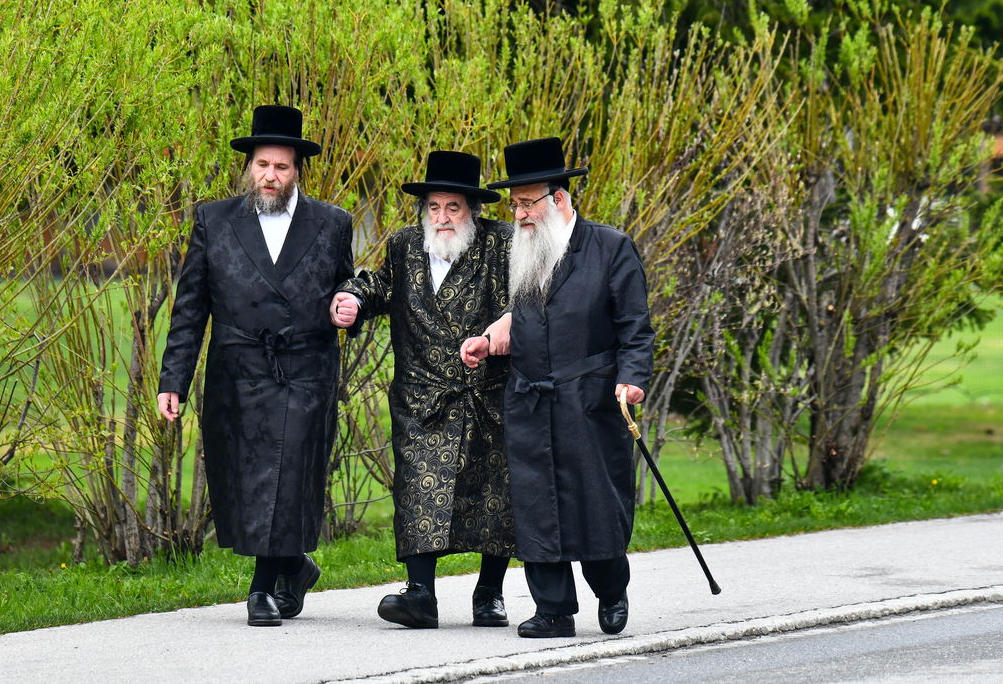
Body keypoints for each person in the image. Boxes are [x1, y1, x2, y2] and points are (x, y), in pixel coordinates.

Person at [157, 104, 354, 627]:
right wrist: (172, 378)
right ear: (249, 167)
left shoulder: (332, 223)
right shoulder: (214, 220)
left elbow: (346, 292)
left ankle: (262, 589)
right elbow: (190, 307)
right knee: (242, 486)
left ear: (297, 171)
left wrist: (349, 309)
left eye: (281, 167)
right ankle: (295, 564)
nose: (270, 176)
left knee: (285, 479)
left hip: (303, 370)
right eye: (262, 165)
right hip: (235, 373)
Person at [461, 137, 654, 639]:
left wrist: (631, 378)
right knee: (536, 506)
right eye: (516, 204)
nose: (520, 214)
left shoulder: (611, 247)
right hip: (529, 397)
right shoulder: (521, 250)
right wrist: (489, 339)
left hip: (589, 400)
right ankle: (553, 610)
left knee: (596, 502)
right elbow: (523, 317)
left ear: (560, 199)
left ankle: (611, 590)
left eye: (528, 203)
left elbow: (635, 327)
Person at [331, 151, 516, 629]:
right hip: (421, 394)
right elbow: (381, 286)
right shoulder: (405, 245)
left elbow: (529, 303)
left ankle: (490, 594)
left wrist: (502, 335)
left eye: (453, 207)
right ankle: (420, 595)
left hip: (486, 391)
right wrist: (353, 297)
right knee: (418, 489)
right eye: (434, 207)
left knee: (494, 492)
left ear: (472, 210)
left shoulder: (501, 244)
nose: (442, 217)